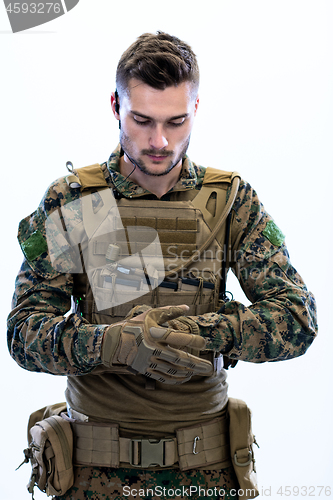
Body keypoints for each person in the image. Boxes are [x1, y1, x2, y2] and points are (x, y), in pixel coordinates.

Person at [7, 31, 317, 500]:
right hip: (92, 475)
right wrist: (110, 344)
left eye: (176, 121)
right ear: (115, 106)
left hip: (207, 472)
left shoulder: (230, 201)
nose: (159, 141)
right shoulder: (78, 201)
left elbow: (298, 319)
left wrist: (206, 333)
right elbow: (23, 335)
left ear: (197, 108)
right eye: (141, 120)